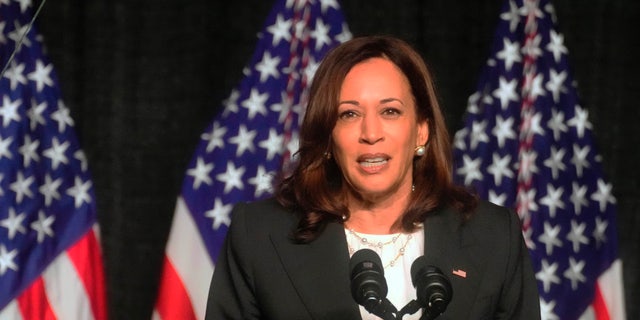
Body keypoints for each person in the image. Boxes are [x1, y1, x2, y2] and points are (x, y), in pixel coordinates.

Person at [205, 35, 540, 320]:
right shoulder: (260, 236)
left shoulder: (494, 236)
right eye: (349, 114)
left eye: (390, 111)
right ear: (327, 136)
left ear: (421, 131)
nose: (371, 133)